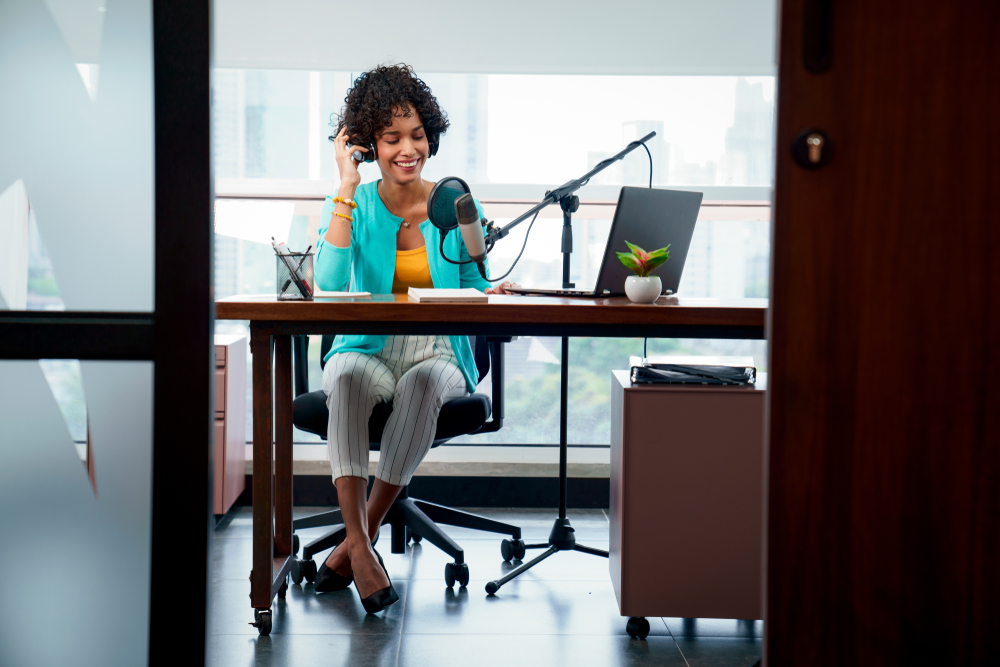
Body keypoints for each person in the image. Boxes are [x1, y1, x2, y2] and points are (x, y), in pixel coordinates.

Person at [312, 64, 517, 613]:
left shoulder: (454, 202)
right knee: (347, 378)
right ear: (367, 145)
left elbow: (476, 283)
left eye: (418, 135)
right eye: (392, 137)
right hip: (369, 346)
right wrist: (346, 185)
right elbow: (327, 285)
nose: (409, 148)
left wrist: (495, 287)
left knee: (425, 383)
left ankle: (355, 543)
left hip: (439, 348)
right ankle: (359, 546)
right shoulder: (354, 205)